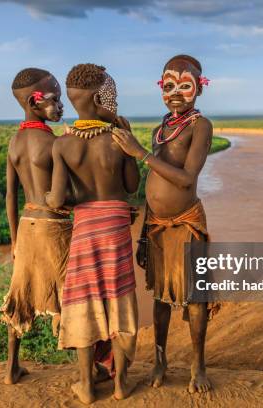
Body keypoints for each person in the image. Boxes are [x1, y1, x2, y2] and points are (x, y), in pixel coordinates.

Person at [111, 54, 219, 394]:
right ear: (161, 87)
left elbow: (186, 180)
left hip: (186, 222)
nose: (175, 92)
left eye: (185, 86)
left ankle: (198, 366)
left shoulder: (201, 126)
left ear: (199, 89)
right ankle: (160, 361)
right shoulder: (161, 128)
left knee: (195, 296)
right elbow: (152, 185)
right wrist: (143, 232)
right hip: (156, 224)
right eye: (168, 85)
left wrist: (139, 152)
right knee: (160, 296)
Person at [46, 63, 140, 404]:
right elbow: (131, 186)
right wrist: (127, 136)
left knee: (83, 300)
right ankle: (119, 385)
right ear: (101, 98)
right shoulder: (118, 137)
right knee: (118, 298)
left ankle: (86, 385)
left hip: (85, 226)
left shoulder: (63, 145)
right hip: (116, 224)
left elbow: (57, 199)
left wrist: (49, 199)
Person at [0, 67, 72, 385]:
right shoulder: (54, 143)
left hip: (26, 228)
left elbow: (10, 196)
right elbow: (63, 195)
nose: (61, 107)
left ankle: (12, 367)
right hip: (53, 227)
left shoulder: (14, 143)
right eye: (55, 100)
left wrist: (14, 241)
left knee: (21, 295)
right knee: (73, 293)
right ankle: (92, 366)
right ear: (34, 101)